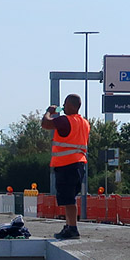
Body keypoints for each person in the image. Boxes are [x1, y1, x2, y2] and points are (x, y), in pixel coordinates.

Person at [41, 94, 90, 240]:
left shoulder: (65, 120)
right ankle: (69, 226)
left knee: (68, 199)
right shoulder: (84, 123)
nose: (63, 106)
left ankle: (72, 228)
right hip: (79, 163)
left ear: (72, 106)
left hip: (67, 165)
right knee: (70, 197)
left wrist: (49, 112)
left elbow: (45, 124)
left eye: (65, 104)